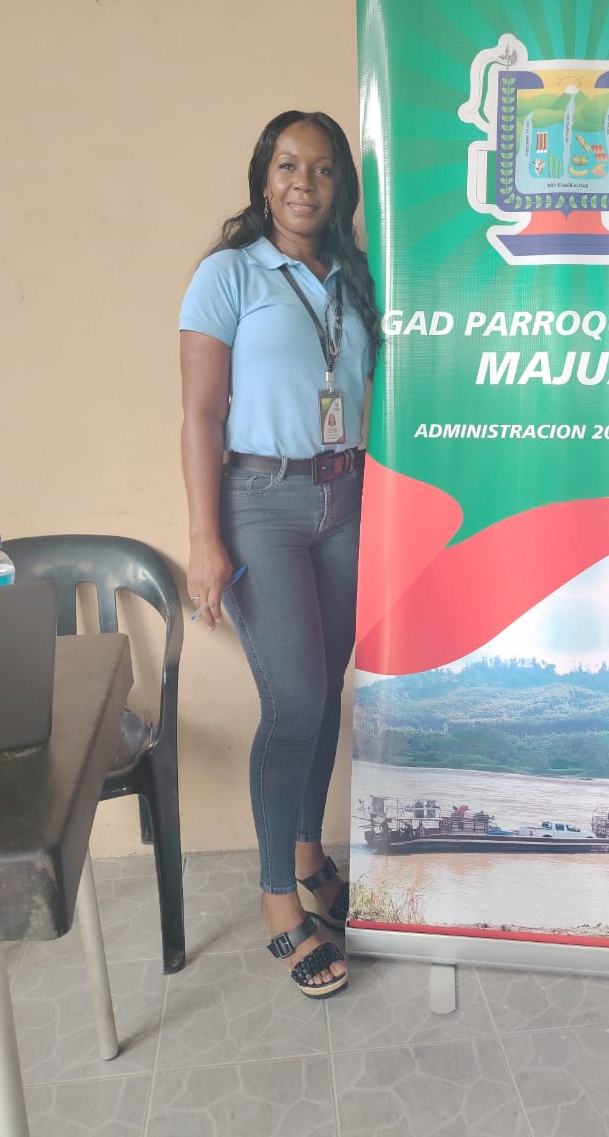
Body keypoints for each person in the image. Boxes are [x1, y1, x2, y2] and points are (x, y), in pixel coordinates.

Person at [179, 109, 380, 1000]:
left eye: (324, 169)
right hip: (261, 501)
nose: (306, 183)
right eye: (289, 165)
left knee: (325, 691)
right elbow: (199, 414)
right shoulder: (228, 275)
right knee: (293, 702)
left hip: (348, 497)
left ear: (341, 187)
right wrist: (204, 539)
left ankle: (308, 856)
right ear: (264, 179)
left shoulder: (353, 277)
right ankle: (275, 900)